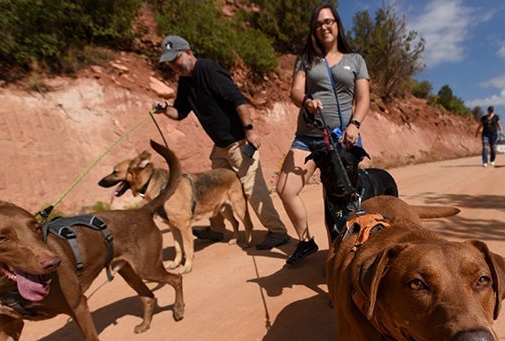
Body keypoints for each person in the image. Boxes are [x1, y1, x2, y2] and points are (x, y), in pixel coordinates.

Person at [155, 35, 290, 251]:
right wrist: (164, 110)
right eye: (170, 62)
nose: (174, 65)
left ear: (188, 52)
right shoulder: (185, 82)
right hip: (220, 147)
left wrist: (250, 131)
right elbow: (179, 112)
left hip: (239, 142)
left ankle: (277, 231)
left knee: (254, 189)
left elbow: (237, 99)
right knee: (213, 188)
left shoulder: (208, 70)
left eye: (176, 58)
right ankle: (216, 230)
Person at [275, 4, 370, 265]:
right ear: (314, 31)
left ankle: (337, 258)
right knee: (285, 188)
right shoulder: (307, 59)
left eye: (328, 21)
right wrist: (307, 101)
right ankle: (306, 240)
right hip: (309, 137)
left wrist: (355, 124)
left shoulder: (355, 60)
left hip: (342, 141)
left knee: (337, 203)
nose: (324, 27)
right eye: (318, 24)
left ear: (337, 25)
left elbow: (363, 99)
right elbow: (295, 91)